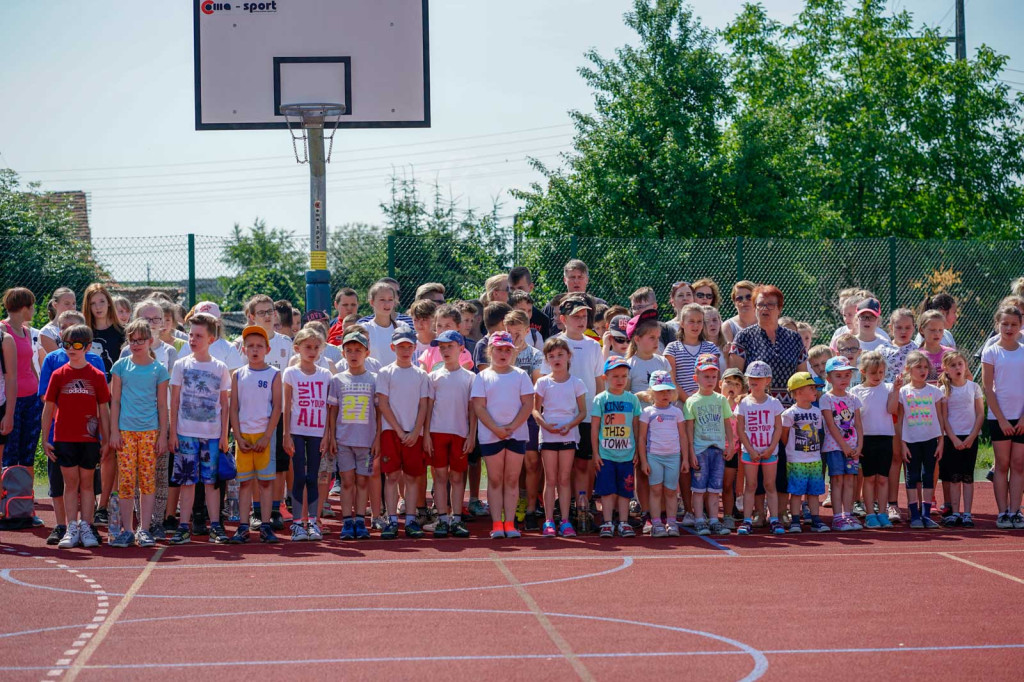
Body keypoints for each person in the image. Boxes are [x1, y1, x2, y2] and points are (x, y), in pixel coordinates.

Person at [41, 324, 110, 550]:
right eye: (67, 344)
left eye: (77, 345)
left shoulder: (97, 375)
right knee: (70, 486)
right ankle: (71, 527)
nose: (71, 349)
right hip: (64, 437)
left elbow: (104, 409)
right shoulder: (58, 375)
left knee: (88, 485)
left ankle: (87, 527)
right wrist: (45, 438)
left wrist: (106, 439)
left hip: (89, 439)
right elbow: (48, 408)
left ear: (88, 347)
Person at [168, 312, 231, 545]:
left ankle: (215, 525)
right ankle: (183, 527)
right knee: (187, 481)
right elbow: (174, 401)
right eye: (191, 335)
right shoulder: (181, 365)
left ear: (211, 339)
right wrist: (173, 432)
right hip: (185, 433)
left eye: (198, 336)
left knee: (211, 482)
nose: (193, 340)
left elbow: (225, 403)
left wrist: (225, 435)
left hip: (212, 435)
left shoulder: (220, 367)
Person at [540, 296, 605, 516]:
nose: (581, 320)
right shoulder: (554, 343)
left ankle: (583, 508)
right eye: (575, 316)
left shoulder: (594, 346)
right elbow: (542, 377)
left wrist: (599, 411)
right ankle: (562, 508)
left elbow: (598, 381)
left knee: (584, 465)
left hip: (586, 415)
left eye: (584, 316)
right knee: (560, 469)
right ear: (562, 318)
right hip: (559, 418)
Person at [108, 319, 169, 548]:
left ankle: (144, 529)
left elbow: (162, 405)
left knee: (147, 481)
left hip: (149, 432)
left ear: (150, 341)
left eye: (140, 340)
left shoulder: (159, 369)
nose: (136, 344)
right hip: (125, 432)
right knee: (125, 482)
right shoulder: (121, 366)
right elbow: (114, 401)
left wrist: (162, 435)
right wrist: (114, 431)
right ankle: (127, 529)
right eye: (132, 340)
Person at [472, 331, 535, 539]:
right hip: (491, 436)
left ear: (513, 352)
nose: (503, 353)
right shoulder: (482, 377)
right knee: (496, 479)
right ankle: (497, 524)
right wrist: (497, 429)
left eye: (507, 350)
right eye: (499, 349)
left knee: (511, 479)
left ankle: (510, 523)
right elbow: (479, 407)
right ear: (490, 351)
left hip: (516, 435)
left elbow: (528, 404)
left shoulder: (520, 375)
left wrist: (512, 426)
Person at [377, 326, 431, 539]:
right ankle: (391, 520)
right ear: (393, 347)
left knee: (412, 477)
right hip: (391, 432)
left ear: (415, 348)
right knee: (391, 476)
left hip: (413, 433)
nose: (405, 350)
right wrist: (399, 431)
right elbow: (383, 404)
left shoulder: (421, 375)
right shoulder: (385, 373)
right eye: (401, 347)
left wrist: (416, 431)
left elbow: (423, 405)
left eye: (409, 346)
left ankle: (411, 519)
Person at [229, 325, 282, 544]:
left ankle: (266, 524)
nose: (254, 350)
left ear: (267, 349)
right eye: (250, 346)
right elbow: (233, 408)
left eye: (259, 346)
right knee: (244, 484)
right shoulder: (238, 375)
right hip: (244, 438)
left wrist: (267, 436)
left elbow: (277, 406)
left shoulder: (274, 374)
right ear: (243, 349)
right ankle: (243, 526)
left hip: (264, 437)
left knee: (266, 484)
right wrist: (238, 437)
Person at [325, 330, 379, 540]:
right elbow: (332, 412)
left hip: (366, 442)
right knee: (347, 482)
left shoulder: (375, 379)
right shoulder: (337, 380)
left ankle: (360, 521)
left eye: (358, 350)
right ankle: (347, 521)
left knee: (362, 482)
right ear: (343, 353)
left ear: (367, 352)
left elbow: (379, 412)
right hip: (344, 441)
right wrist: (331, 437)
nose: (354, 354)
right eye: (349, 350)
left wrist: (377, 438)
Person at [422, 330, 476, 538]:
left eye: (450, 346)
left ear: (461, 349)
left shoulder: (470, 377)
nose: (445, 350)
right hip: (437, 432)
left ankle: (456, 519)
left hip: (460, 433)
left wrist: (471, 435)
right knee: (440, 476)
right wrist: (426, 434)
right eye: (442, 347)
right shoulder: (433, 377)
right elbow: (428, 407)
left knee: (457, 476)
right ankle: (442, 518)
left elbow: (473, 410)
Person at [534, 336, 587, 538]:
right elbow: (535, 410)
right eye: (552, 356)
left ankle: (565, 521)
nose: (556, 359)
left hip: (568, 436)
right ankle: (548, 520)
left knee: (564, 479)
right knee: (551, 479)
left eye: (560, 355)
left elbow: (582, 412)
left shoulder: (577, 383)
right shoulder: (542, 382)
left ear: (568, 356)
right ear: (547, 359)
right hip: (547, 437)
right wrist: (545, 424)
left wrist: (569, 426)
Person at [281, 328, 331, 542]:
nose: (312, 351)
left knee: (313, 477)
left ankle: (312, 522)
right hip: (298, 432)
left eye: (315, 347)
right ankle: (297, 524)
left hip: (318, 433)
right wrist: (286, 434)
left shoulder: (326, 374)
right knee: (299, 477)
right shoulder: (291, 373)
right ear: (297, 348)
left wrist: (328, 434)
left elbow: (329, 408)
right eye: (307, 347)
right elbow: (287, 407)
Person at [981, 306, 1024, 529]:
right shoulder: (991, 352)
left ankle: (1016, 511)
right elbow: (988, 389)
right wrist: (1002, 420)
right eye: (1004, 324)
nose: (1009, 328)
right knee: (1002, 465)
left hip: (1022, 418)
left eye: (1014, 324)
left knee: (1019, 464)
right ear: (997, 324)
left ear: (1020, 325)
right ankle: (1003, 512)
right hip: (999, 418)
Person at [729, 285, 808, 405]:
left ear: (779, 308)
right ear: (755, 308)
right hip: (756, 409)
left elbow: (803, 376)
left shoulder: (794, 338)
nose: (764, 309)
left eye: (770, 305)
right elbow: (735, 376)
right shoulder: (743, 337)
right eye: (760, 305)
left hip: (789, 410)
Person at [684, 353, 734, 537]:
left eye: (714, 376)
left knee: (714, 488)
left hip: (718, 450)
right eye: (706, 376)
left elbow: (727, 423)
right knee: (698, 488)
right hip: (700, 450)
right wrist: (690, 452)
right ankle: (699, 520)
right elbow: (689, 429)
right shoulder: (691, 401)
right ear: (696, 377)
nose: (710, 380)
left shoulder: (721, 400)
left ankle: (713, 519)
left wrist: (731, 444)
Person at [591, 355, 641, 538]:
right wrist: (595, 453)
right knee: (606, 489)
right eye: (615, 376)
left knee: (625, 490)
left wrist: (637, 450)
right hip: (606, 454)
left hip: (627, 455)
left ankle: (624, 522)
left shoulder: (633, 400)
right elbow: (595, 428)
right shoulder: (600, 399)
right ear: (605, 378)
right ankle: (607, 522)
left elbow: (636, 426)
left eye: (623, 376)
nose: (620, 380)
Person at [850, 351, 899, 529]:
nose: (877, 376)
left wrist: (897, 390)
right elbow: (854, 420)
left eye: (880, 372)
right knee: (869, 478)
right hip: (867, 440)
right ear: (863, 372)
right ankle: (870, 513)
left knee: (883, 479)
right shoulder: (855, 392)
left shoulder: (888, 388)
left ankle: (883, 513)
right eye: (873, 373)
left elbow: (892, 410)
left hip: (886, 438)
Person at [898, 350, 947, 529]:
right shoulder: (903, 392)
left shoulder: (934, 392)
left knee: (928, 475)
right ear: (908, 369)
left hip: (930, 440)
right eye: (918, 367)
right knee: (912, 476)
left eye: (925, 367)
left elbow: (940, 418)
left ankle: (926, 514)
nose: (923, 370)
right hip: (910, 441)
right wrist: (902, 444)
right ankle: (915, 515)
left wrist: (941, 441)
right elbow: (901, 419)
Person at [736, 361, 784, 535]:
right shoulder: (743, 403)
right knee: (750, 485)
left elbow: (778, 427)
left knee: (770, 484)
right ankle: (747, 520)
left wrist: (771, 448)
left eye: (759, 378)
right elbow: (740, 429)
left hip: (769, 452)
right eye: (751, 378)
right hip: (750, 452)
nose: (754, 381)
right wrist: (750, 449)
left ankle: (774, 520)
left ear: (767, 380)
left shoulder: (774, 403)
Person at [505, 309, 543, 529]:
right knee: (511, 464)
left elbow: (537, 384)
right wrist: (511, 354)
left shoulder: (536, 355)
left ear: (527, 331)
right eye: (509, 332)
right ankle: (511, 504)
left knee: (531, 462)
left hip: (528, 415)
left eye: (518, 333)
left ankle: (530, 508)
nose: (513, 337)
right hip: (506, 415)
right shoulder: (500, 352)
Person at [637, 370, 687, 538]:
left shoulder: (677, 412)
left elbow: (683, 436)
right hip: (654, 457)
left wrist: (685, 458)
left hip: (673, 457)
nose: (665, 394)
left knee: (671, 491)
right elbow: (642, 438)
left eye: (668, 390)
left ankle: (672, 522)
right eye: (660, 391)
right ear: (651, 392)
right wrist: (644, 461)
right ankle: (656, 522)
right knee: (656, 490)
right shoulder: (647, 413)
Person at [938, 351, 983, 528]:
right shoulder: (944, 390)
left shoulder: (974, 387)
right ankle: (955, 513)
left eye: (960, 364)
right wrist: (954, 438)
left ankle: (967, 514)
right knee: (954, 477)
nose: (957, 368)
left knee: (968, 477)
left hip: (970, 438)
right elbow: (944, 418)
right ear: (946, 369)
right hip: (952, 439)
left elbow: (980, 414)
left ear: (965, 366)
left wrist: (972, 437)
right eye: (953, 365)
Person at [780, 372, 830, 533]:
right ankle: (795, 520)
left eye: (815, 388)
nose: (815, 391)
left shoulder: (817, 412)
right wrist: (791, 453)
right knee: (796, 492)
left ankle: (816, 519)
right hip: (796, 460)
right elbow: (784, 436)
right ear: (799, 392)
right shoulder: (789, 414)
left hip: (814, 459)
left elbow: (817, 433)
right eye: (811, 388)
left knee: (814, 492)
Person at [820, 356, 864, 531]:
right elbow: (830, 425)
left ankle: (849, 515)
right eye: (838, 376)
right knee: (837, 481)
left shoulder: (853, 398)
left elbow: (858, 425)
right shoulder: (826, 399)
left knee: (850, 482)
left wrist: (858, 446)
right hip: (835, 447)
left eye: (847, 375)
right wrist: (844, 446)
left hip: (853, 448)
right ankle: (838, 517)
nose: (844, 379)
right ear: (829, 378)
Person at [665, 303, 724, 401]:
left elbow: (716, 380)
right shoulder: (672, 348)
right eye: (691, 321)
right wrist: (690, 402)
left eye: (699, 321)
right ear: (682, 323)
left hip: (707, 401)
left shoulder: (711, 348)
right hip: (681, 403)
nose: (696, 325)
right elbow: (672, 381)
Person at [541, 259, 606, 330]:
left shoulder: (598, 304)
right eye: (572, 277)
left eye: (580, 277)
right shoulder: (553, 306)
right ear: (565, 280)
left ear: (587, 280)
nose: (576, 281)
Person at [719, 367, 745, 530]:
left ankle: (728, 516)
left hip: (733, 452)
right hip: (714, 451)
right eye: (728, 382)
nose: (732, 387)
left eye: (736, 384)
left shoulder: (741, 408)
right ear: (720, 383)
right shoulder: (714, 402)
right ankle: (710, 515)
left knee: (728, 486)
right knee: (711, 487)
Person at [81, 283, 125, 379]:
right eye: (93, 303)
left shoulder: (122, 332)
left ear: (109, 303)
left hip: (116, 387)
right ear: (88, 306)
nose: (98, 307)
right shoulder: (83, 333)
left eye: (102, 301)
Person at [418, 304, 474, 371]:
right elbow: (421, 378)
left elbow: (463, 378)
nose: (442, 330)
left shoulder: (463, 353)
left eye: (447, 326)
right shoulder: (428, 353)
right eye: (439, 326)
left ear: (458, 326)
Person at [508, 266, 552, 340]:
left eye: (520, 288)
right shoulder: (501, 315)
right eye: (512, 289)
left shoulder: (542, 319)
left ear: (531, 287)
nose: (516, 292)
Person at [364, 282, 399, 366]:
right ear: (372, 302)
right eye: (382, 299)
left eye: (390, 300)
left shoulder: (402, 327)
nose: (387, 304)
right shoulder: (364, 329)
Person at [917, 310, 951, 383]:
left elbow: (965, 378)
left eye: (940, 330)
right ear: (921, 330)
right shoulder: (916, 356)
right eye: (932, 330)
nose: (937, 333)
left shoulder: (951, 354)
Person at [39, 287, 76, 353]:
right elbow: (59, 359)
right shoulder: (47, 332)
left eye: (74, 303)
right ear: (55, 305)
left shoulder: (79, 327)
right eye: (67, 303)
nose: (72, 307)